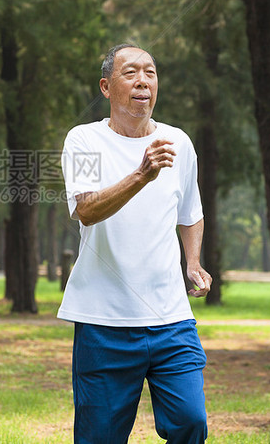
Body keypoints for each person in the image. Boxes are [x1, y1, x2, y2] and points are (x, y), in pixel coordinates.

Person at [59, 44, 212, 444]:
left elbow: (191, 210)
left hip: (171, 318)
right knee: (99, 438)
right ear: (106, 87)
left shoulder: (178, 141)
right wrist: (141, 175)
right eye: (131, 73)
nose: (143, 81)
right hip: (103, 321)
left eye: (151, 72)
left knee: (191, 420)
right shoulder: (83, 140)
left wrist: (193, 262)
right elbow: (87, 209)